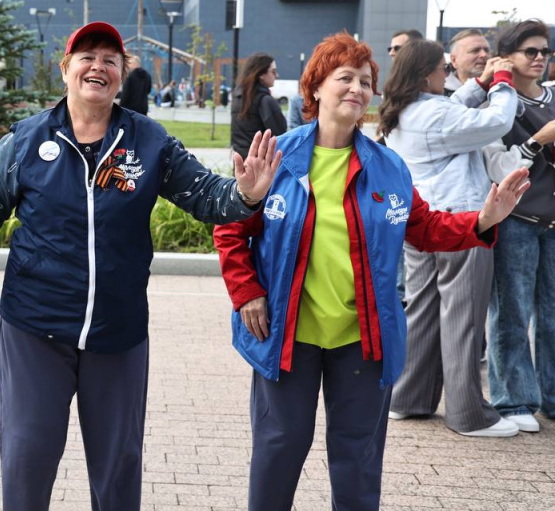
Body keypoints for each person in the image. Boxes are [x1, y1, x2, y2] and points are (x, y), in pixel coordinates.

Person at [0, 21, 281, 510]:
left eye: (110, 59)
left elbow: (207, 196)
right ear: (66, 70)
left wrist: (247, 194)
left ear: (121, 76)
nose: (97, 66)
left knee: (118, 464)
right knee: (27, 457)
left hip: (118, 332)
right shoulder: (27, 140)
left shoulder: (148, 142)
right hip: (35, 328)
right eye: (86, 56)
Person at [213, 32, 529, 511]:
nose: (357, 89)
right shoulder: (278, 156)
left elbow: (422, 227)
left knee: (358, 461)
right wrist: (246, 292)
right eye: (345, 78)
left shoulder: (387, 167)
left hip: (363, 339)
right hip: (285, 334)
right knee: (278, 450)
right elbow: (232, 225)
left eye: (365, 81)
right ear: (316, 86)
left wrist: (482, 221)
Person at [380, 39, 519, 437]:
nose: (446, 71)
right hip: (460, 223)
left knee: (422, 312)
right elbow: (497, 121)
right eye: (441, 66)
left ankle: (409, 398)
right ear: (427, 74)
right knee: (463, 318)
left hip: (421, 223)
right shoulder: (436, 114)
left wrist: (479, 81)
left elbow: (453, 107)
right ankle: (468, 415)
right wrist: (502, 81)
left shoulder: (406, 111)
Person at [480, 19, 555, 434]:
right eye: (531, 51)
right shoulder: (499, 106)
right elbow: (498, 167)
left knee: (553, 315)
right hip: (517, 220)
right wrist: (537, 140)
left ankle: (551, 396)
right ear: (506, 57)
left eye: (544, 51)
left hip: (553, 221)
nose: (540, 58)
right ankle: (513, 400)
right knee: (510, 311)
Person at [231, 53, 287, 156]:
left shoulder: (238, 97)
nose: (277, 76)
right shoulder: (265, 101)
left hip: (241, 163)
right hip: (261, 164)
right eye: (273, 72)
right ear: (261, 74)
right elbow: (280, 136)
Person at [444, 29, 492, 96]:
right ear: (454, 60)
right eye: (475, 51)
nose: (484, 54)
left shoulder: (500, 87)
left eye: (487, 50)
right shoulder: (439, 93)